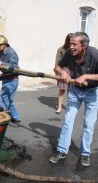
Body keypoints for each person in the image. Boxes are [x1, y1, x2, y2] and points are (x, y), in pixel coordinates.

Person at [49, 32, 98, 167]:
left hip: (92, 92)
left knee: (88, 125)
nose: (71, 46)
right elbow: (57, 67)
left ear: (84, 46)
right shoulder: (69, 53)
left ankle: (85, 154)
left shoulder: (94, 54)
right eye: (71, 43)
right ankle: (62, 150)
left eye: (75, 44)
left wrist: (86, 76)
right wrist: (63, 72)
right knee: (68, 121)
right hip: (75, 91)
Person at [54, 33, 73, 114]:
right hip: (63, 72)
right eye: (71, 41)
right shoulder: (61, 50)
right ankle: (59, 107)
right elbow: (57, 62)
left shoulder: (75, 50)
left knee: (71, 92)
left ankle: (70, 107)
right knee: (62, 90)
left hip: (72, 73)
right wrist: (58, 74)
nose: (72, 43)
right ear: (67, 40)